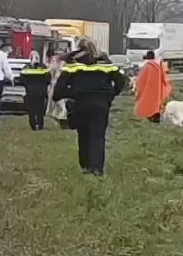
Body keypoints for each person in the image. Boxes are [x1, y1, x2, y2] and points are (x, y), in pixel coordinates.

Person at [51, 38, 127, 175]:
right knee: (98, 136)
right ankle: (97, 167)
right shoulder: (105, 62)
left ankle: (86, 166)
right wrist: (110, 95)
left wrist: (62, 96)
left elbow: (60, 85)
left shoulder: (73, 63)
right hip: (101, 104)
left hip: (80, 103)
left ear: (78, 48)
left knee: (84, 135)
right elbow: (121, 81)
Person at [133, 50, 172, 122]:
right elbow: (165, 79)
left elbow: (140, 80)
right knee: (156, 105)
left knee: (148, 105)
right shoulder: (159, 66)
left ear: (147, 57)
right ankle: (157, 118)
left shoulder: (146, 67)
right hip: (158, 91)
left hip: (147, 91)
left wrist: (138, 90)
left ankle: (150, 118)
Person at [17, 53, 53, 130]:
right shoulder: (43, 67)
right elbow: (48, 79)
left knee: (31, 108)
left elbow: (21, 80)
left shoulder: (26, 67)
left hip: (30, 91)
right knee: (40, 108)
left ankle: (32, 123)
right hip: (41, 91)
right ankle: (40, 124)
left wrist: (27, 85)